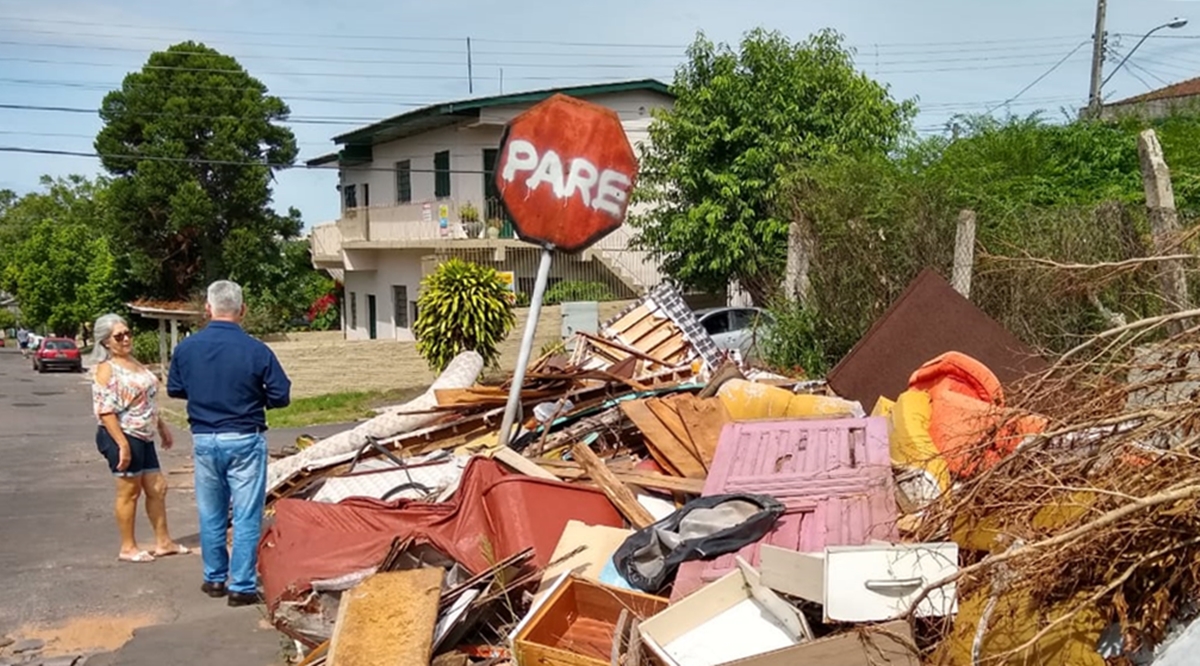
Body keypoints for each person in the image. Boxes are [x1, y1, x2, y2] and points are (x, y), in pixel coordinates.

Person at [168, 280, 291, 606]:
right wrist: (254, 396)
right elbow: (282, 395)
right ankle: (242, 586)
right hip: (244, 437)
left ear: (208, 308)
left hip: (205, 438)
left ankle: (214, 579)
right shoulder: (256, 350)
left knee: (211, 513)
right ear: (243, 310)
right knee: (247, 514)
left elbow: (176, 389)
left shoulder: (187, 348)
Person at [90, 313, 189, 564]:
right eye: (118, 336)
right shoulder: (106, 369)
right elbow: (105, 410)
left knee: (157, 488)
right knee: (129, 492)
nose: (125, 339)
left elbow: (146, 400)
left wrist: (162, 426)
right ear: (105, 342)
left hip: (144, 435)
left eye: (127, 333)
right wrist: (122, 445)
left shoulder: (133, 362)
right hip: (122, 435)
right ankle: (128, 547)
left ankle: (164, 542)